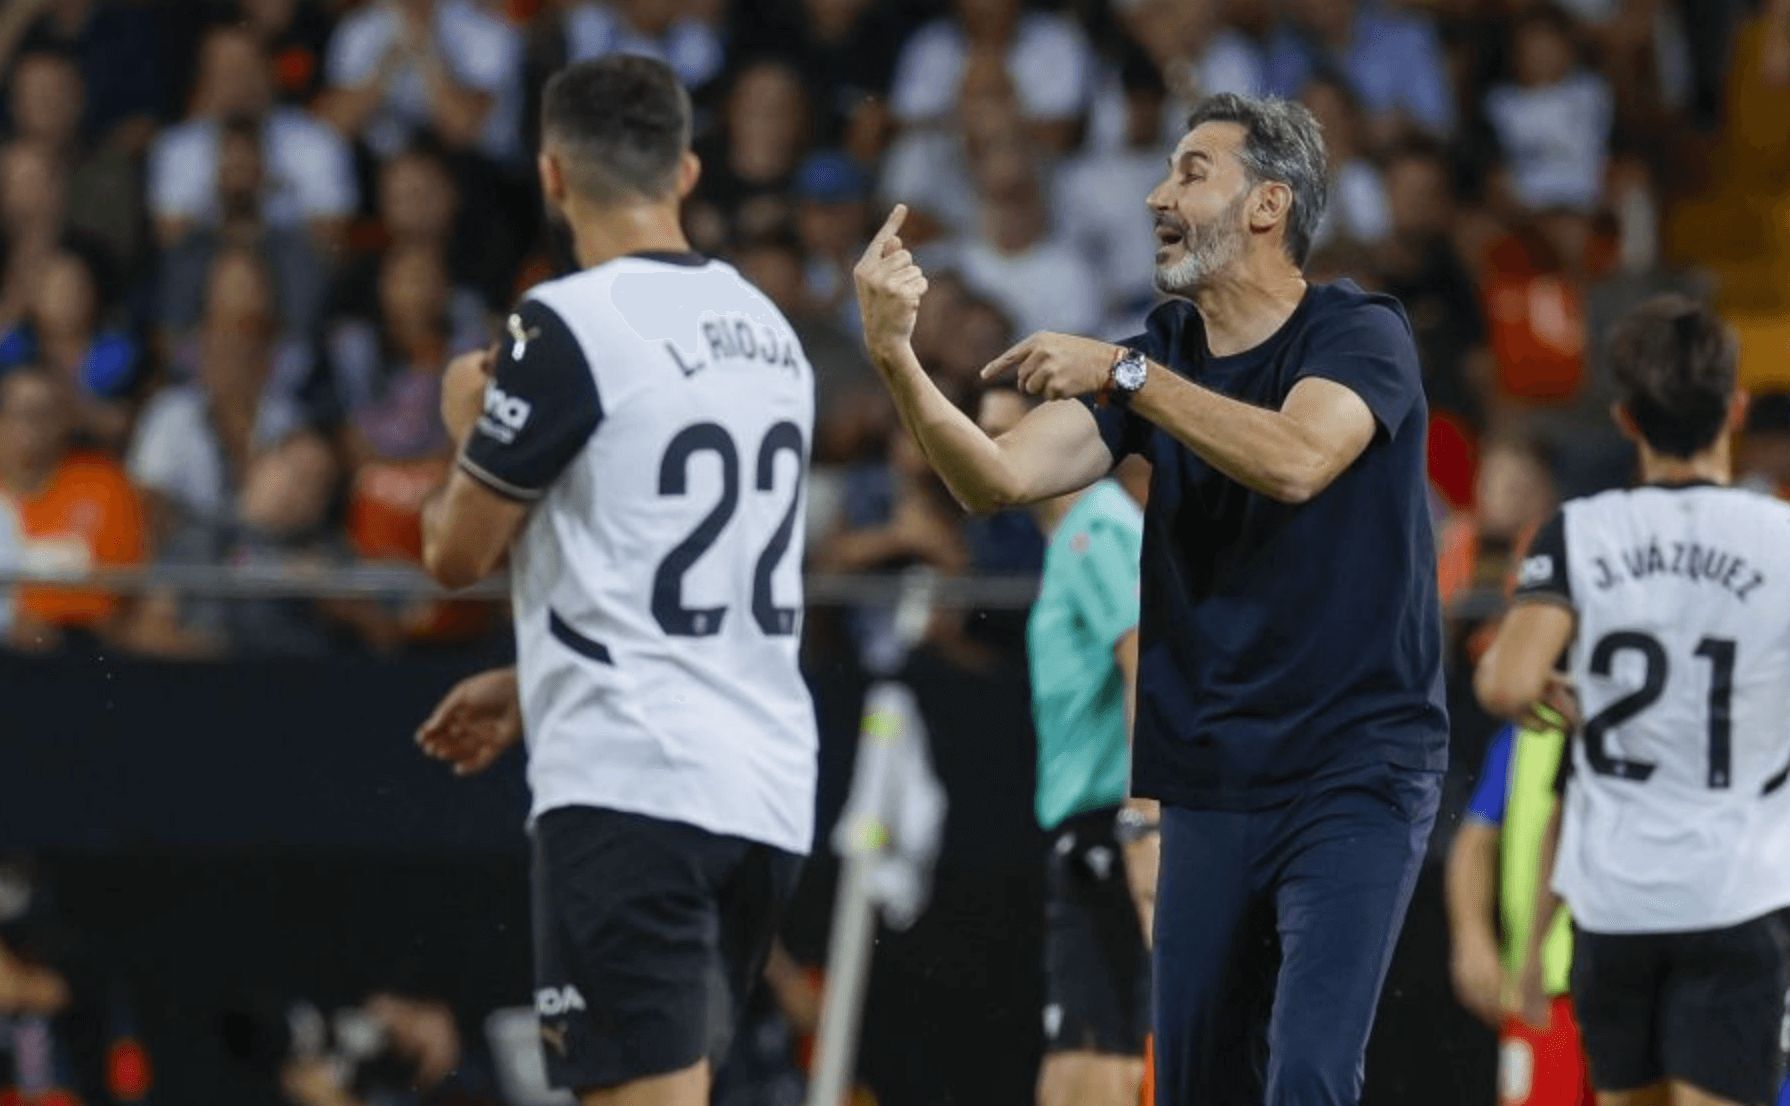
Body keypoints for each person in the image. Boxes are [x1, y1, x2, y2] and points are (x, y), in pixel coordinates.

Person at [854, 91, 1446, 1105]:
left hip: (1353, 767)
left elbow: (1299, 459)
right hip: (1208, 775)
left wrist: (1127, 375)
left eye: (1189, 172)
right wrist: (895, 359)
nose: (1154, 195)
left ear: (1267, 205)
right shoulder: (1161, 352)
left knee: (1307, 1071)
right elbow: (993, 477)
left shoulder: (1357, 333)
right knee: (1195, 1086)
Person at [416, 56, 817, 1106]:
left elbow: (455, 555)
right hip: (764, 787)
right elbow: (671, 554)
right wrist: (534, 677)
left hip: (632, 783)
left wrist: (463, 422)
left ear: (552, 173)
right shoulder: (770, 333)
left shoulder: (562, 325)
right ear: (685, 171)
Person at [1476, 294, 1790, 1106]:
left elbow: (1506, 684)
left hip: (1615, 901)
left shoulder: (1580, 532)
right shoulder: (1781, 539)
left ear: (1625, 418)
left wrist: (1544, 677)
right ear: (1734, 408)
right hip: (1736, 893)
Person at [979, 384, 1150, 1106]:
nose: (987, 450)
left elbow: (1144, 657)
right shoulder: (1078, 533)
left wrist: (1143, 817)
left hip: (1112, 824)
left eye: (1005, 433)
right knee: (1085, 1053)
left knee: (1095, 1059)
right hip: (1095, 825)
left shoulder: (1093, 529)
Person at [1447, 722, 1596, 1106]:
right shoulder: (1524, 733)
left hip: (1628, 979)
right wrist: (1472, 937)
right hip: (1544, 992)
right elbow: (1476, 838)